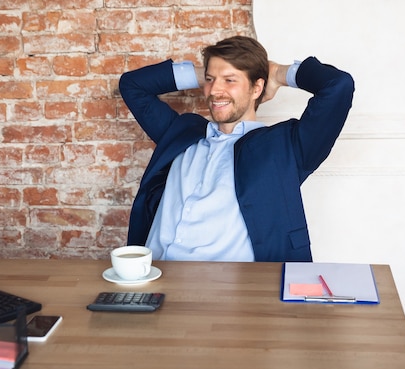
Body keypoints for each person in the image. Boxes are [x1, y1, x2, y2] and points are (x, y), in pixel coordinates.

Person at [119, 35, 355, 262]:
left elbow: (338, 85)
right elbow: (132, 85)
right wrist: (213, 73)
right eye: (210, 80)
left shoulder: (286, 147)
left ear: (256, 88)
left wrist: (277, 73)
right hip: (151, 278)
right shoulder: (182, 132)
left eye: (230, 80)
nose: (214, 91)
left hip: (224, 290)